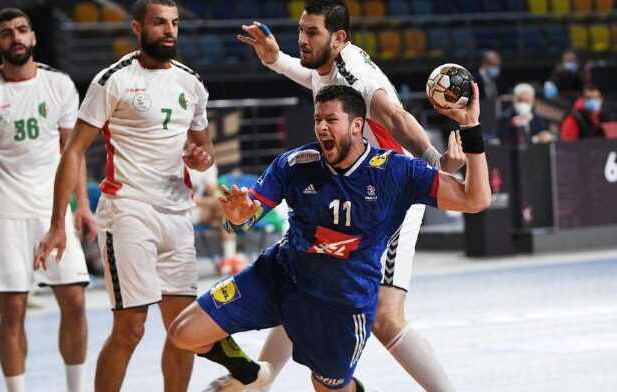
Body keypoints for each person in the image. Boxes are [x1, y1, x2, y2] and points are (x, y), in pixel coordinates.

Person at [206, 1, 466, 391]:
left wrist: (436, 165)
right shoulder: (328, 66)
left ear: (339, 38)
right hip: (351, 188)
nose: (302, 40)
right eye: (301, 31)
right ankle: (260, 380)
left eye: (312, 33)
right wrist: (277, 60)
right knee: (304, 280)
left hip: (388, 196)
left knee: (386, 318)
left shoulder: (357, 75)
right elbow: (314, 78)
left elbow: (396, 117)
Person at [168, 84, 490, 392]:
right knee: (185, 333)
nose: (322, 128)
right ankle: (251, 374)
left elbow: (475, 199)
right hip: (281, 277)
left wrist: (471, 127)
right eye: (318, 120)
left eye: (331, 120)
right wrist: (236, 220)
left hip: (341, 303)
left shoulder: (396, 172)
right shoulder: (295, 164)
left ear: (357, 125)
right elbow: (246, 216)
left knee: (329, 387)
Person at [34, 1, 215, 391]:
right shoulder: (112, 79)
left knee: (184, 330)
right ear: (137, 27)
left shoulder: (191, 81)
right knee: (131, 327)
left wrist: (201, 158)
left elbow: (205, 151)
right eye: (159, 23)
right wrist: (57, 224)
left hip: (178, 213)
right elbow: (73, 151)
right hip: (128, 209)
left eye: (174, 23)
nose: (169, 31)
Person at [0, 8, 96, 392]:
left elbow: (73, 152)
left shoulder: (60, 85)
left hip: (53, 209)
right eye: (6, 33)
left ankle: (74, 388)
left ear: (33, 37)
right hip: (4, 211)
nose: (15, 38)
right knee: (13, 310)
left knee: (75, 302)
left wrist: (81, 206)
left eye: (21, 30)